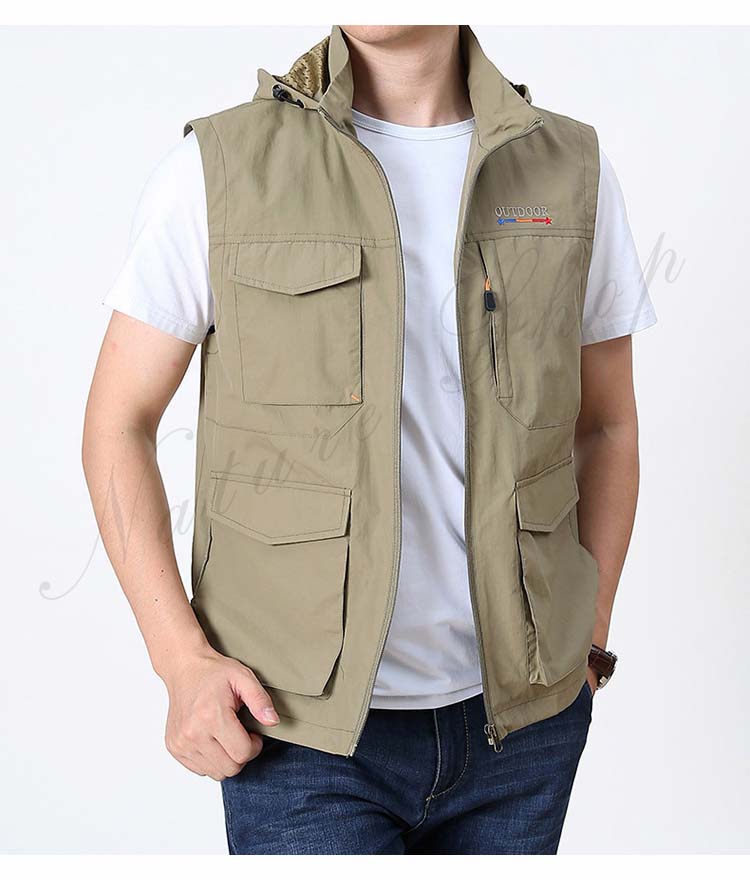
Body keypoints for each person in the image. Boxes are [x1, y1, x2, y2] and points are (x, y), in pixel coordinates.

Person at [83, 25, 656, 855]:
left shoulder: (569, 169)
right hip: (298, 735)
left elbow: (607, 423)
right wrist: (180, 661)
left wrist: (587, 640)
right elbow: (116, 426)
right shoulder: (219, 167)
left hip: (525, 735)